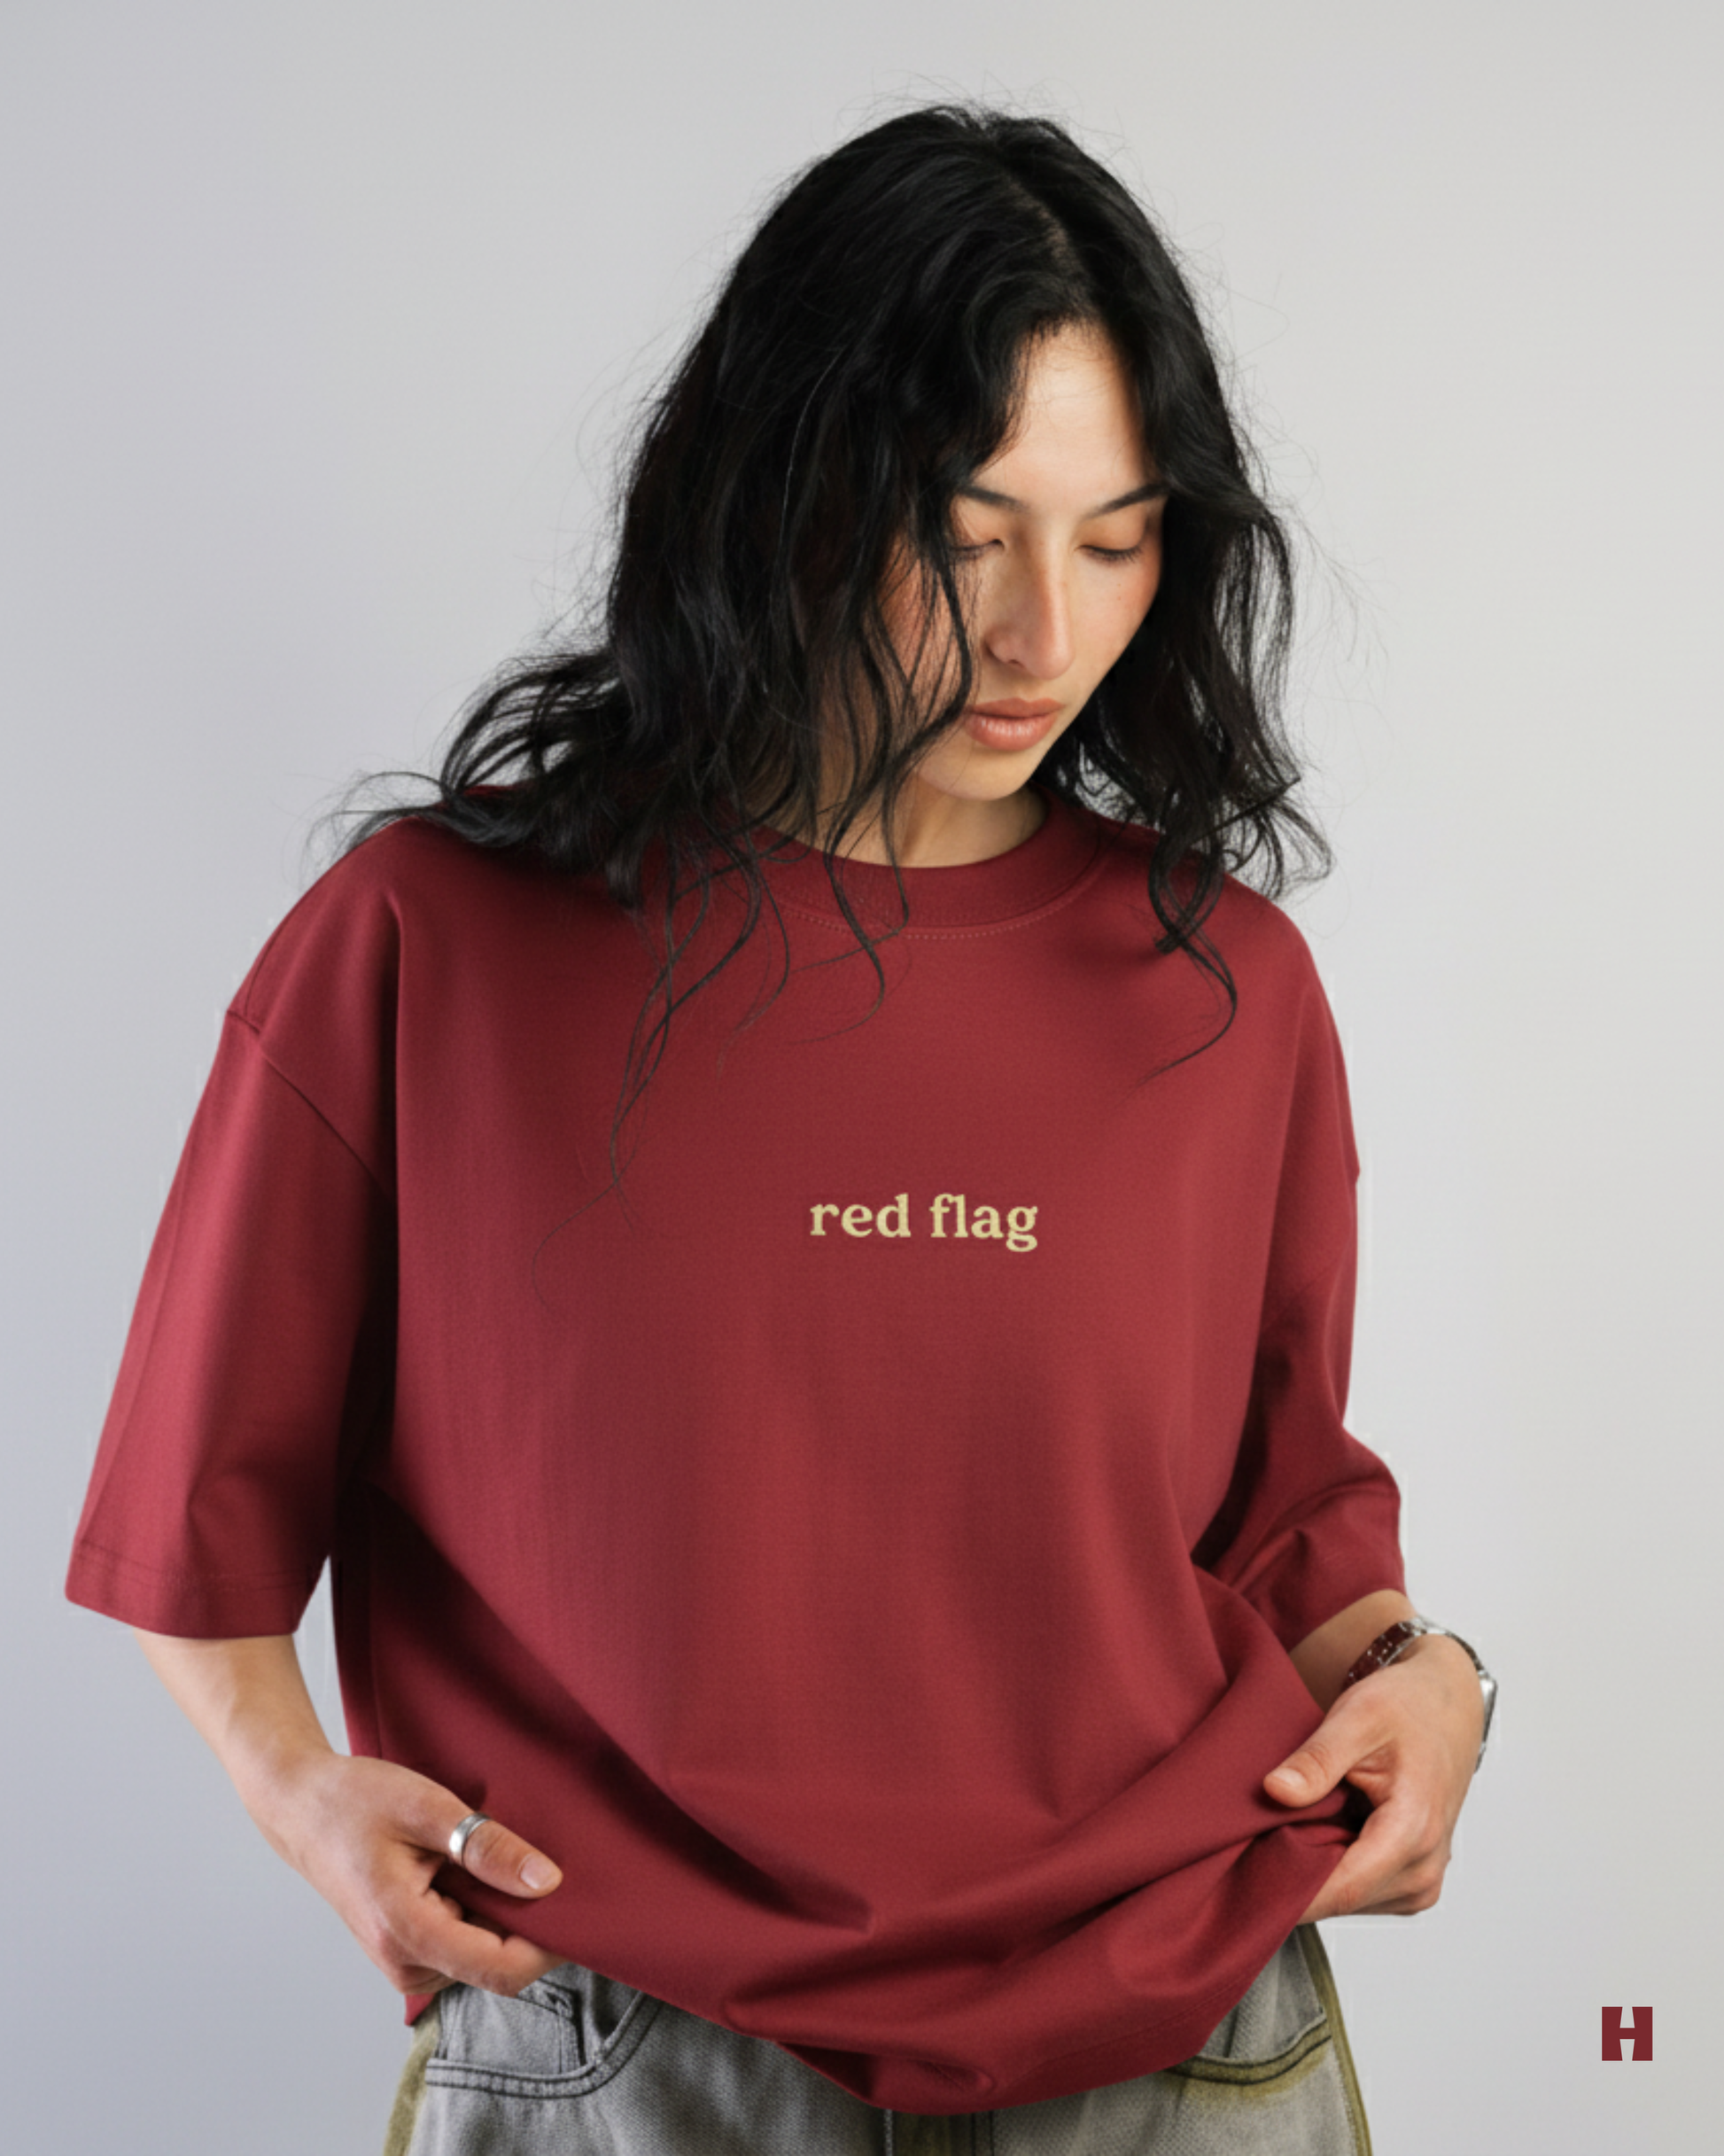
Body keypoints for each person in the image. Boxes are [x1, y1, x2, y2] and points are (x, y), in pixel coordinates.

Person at [66, 104, 1493, 2155]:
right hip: (628, 2054)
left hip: (1185, 2045)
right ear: (784, 485)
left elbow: (1283, 1509)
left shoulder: (1226, 985)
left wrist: (1431, 1681)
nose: (1043, 629)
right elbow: (195, 1508)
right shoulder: (429, 944)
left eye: (1113, 539)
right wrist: (296, 1793)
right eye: (966, 532)